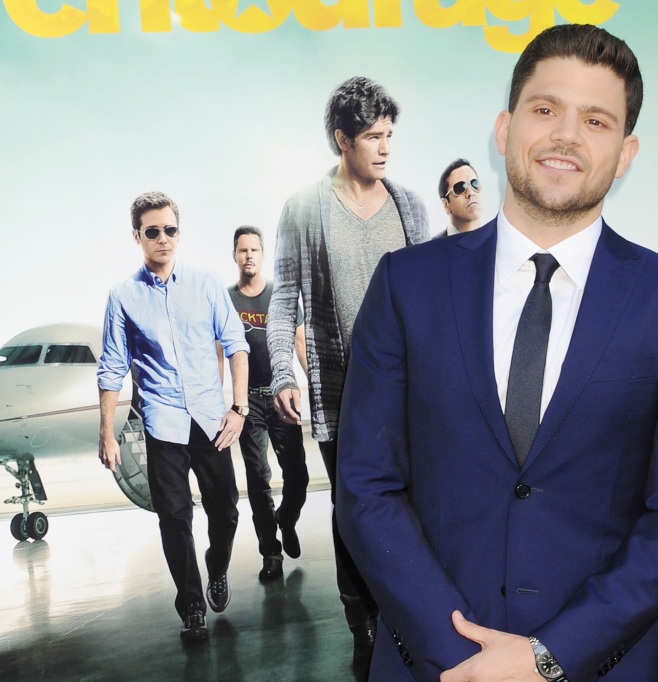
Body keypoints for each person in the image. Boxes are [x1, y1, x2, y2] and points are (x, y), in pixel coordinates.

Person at [335, 24, 658, 682]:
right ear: (504, 128)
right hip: (433, 667)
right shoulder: (406, 286)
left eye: (596, 120)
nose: (567, 137)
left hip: (601, 667)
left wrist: (549, 657)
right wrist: (460, 657)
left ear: (626, 152)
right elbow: (366, 487)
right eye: (545, 110)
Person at [266, 76, 430, 680]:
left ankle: (406, 617)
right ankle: (360, 621)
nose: (385, 148)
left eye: (390, 135)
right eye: (372, 137)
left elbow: (431, 299)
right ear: (342, 140)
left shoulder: (410, 206)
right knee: (354, 511)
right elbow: (285, 300)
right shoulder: (305, 209)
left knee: (415, 506)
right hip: (340, 392)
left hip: (410, 392)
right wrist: (284, 370)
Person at [97, 191, 248, 643]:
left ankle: (216, 567)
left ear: (179, 232)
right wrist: (107, 433)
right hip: (161, 423)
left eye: (170, 230)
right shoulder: (122, 296)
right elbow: (111, 367)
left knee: (225, 509)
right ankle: (192, 605)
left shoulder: (205, 283)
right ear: (137, 237)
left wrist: (238, 407)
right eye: (153, 232)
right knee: (174, 517)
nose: (163, 239)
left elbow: (236, 345)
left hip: (210, 420)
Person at [228, 225, 309, 583]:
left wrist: (316, 385)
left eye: (254, 251)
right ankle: (270, 553)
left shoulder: (281, 296)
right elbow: (220, 352)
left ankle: (287, 519)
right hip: (249, 404)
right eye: (242, 250)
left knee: (298, 474)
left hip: (281, 396)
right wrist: (228, 403)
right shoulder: (227, 300)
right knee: (258, 479)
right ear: (235, 255)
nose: (248, 256)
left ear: (263, 255)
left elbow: (301, 344)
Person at [434, 158, 485, 237]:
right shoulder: (432, 247)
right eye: (460, 188)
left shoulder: (499, 240)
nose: (471, 193)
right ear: (446, 205)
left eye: (475, 183)